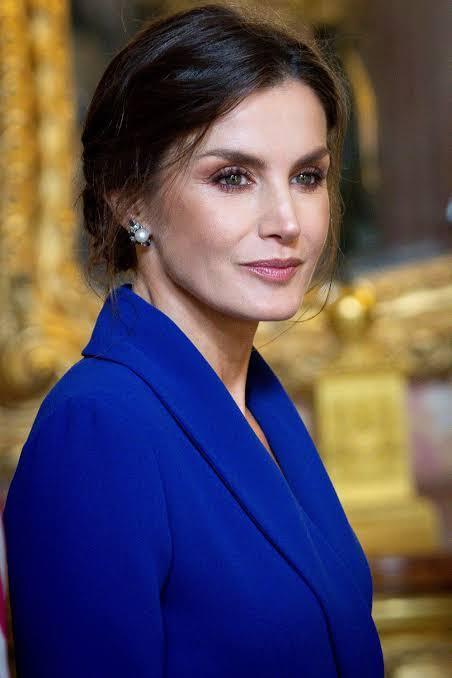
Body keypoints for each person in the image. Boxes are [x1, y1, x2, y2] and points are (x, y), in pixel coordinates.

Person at [3, 3, 384, 676]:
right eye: (233, 177)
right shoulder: (99, 428)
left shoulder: (259, 403)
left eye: (307, 176)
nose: (288, 221)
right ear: (130, 197)